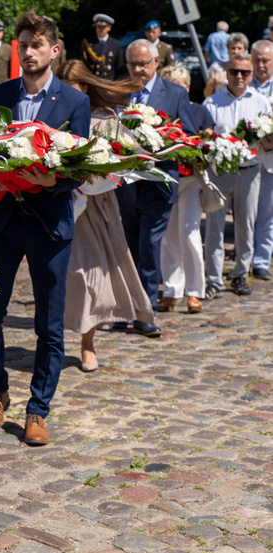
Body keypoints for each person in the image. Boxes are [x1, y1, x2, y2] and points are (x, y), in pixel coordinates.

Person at [0, 10, 90, 444]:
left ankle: (38, 409)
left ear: (54, 51)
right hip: (3, 222)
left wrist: (52, 180)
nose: (28, 51)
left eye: (37, 45)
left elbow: (80, 169)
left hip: (50, 225)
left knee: (49, 325)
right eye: (23, 45)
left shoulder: (75, 103)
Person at [55, 60, 153, 373]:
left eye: (73, 91)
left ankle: (87, 345)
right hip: (66, 204)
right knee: (65, 278)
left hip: (98, 206)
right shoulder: (55, 119)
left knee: (90, 276)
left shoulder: (105, 118)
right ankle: (54, 339)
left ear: (85, 88)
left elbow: (129, 152)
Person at [114, 39, 197, 337]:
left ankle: (145, 311)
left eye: (143, 64)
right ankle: (126, 308)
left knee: (149, 246)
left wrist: (160, 140)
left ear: (156, 62)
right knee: (128, 248)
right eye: (132, 64)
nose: (137, 70)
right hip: (126, 184)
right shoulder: (119, 93)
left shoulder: (174, 94)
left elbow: (188, 135)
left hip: (158, 183)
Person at [203, 53, 273, 298]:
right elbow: (204, 136)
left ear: (252, 74)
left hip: (250, 170)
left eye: (245, 72)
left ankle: (241, 274)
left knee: (246, 226)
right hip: (220, 171)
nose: (239, 77)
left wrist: (267, 142)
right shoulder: (212, 103)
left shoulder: (261, 102)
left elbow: (269, 140)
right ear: (226, 73)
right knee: (214, 226)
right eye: (234, 71)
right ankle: (214, 278)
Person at [157, 65, 216, 315]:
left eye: (182, 85)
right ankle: (171, 291)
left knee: (189, 233)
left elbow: (211, 140)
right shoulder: (159, 114)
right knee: (168, 237)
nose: (179, 90)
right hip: (166, 180)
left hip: (190, 181)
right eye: (173, 85)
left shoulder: (199, 110)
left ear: (189, 87)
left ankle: (195, 291)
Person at [251, 40, 273, 281]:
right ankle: (245, 257)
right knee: (246, 213)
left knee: (267, 212)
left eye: (265, 60)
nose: (261, 65)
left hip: (271, 159)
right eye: (257, 60)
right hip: (249, 157)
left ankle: (261, 261)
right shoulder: (245, 83)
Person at [81, 13, 126, 80]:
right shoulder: (88, 43)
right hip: (93, 81)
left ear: (109, 28)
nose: (100, 29)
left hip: (109, 81)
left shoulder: (115, 44)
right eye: (98, 27)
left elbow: (119, 67)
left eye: (103, 27)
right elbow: (83, 64)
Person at [205, 33, 251, 97]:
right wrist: (211, 83)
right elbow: (206, 95)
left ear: (245, 50)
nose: (236, 51)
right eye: (233, 48)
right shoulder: (216, 68)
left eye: (239, 48)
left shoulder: (250, 69)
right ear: (227, 49)